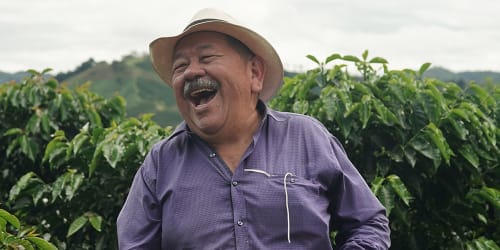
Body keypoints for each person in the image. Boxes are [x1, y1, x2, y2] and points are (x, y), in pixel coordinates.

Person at [117, 8, 390, 249]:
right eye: (180, 66)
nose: (191, 72)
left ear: (255, 73)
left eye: (207, 57)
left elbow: (367, 222)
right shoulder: (161, 162)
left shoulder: (307, 138)